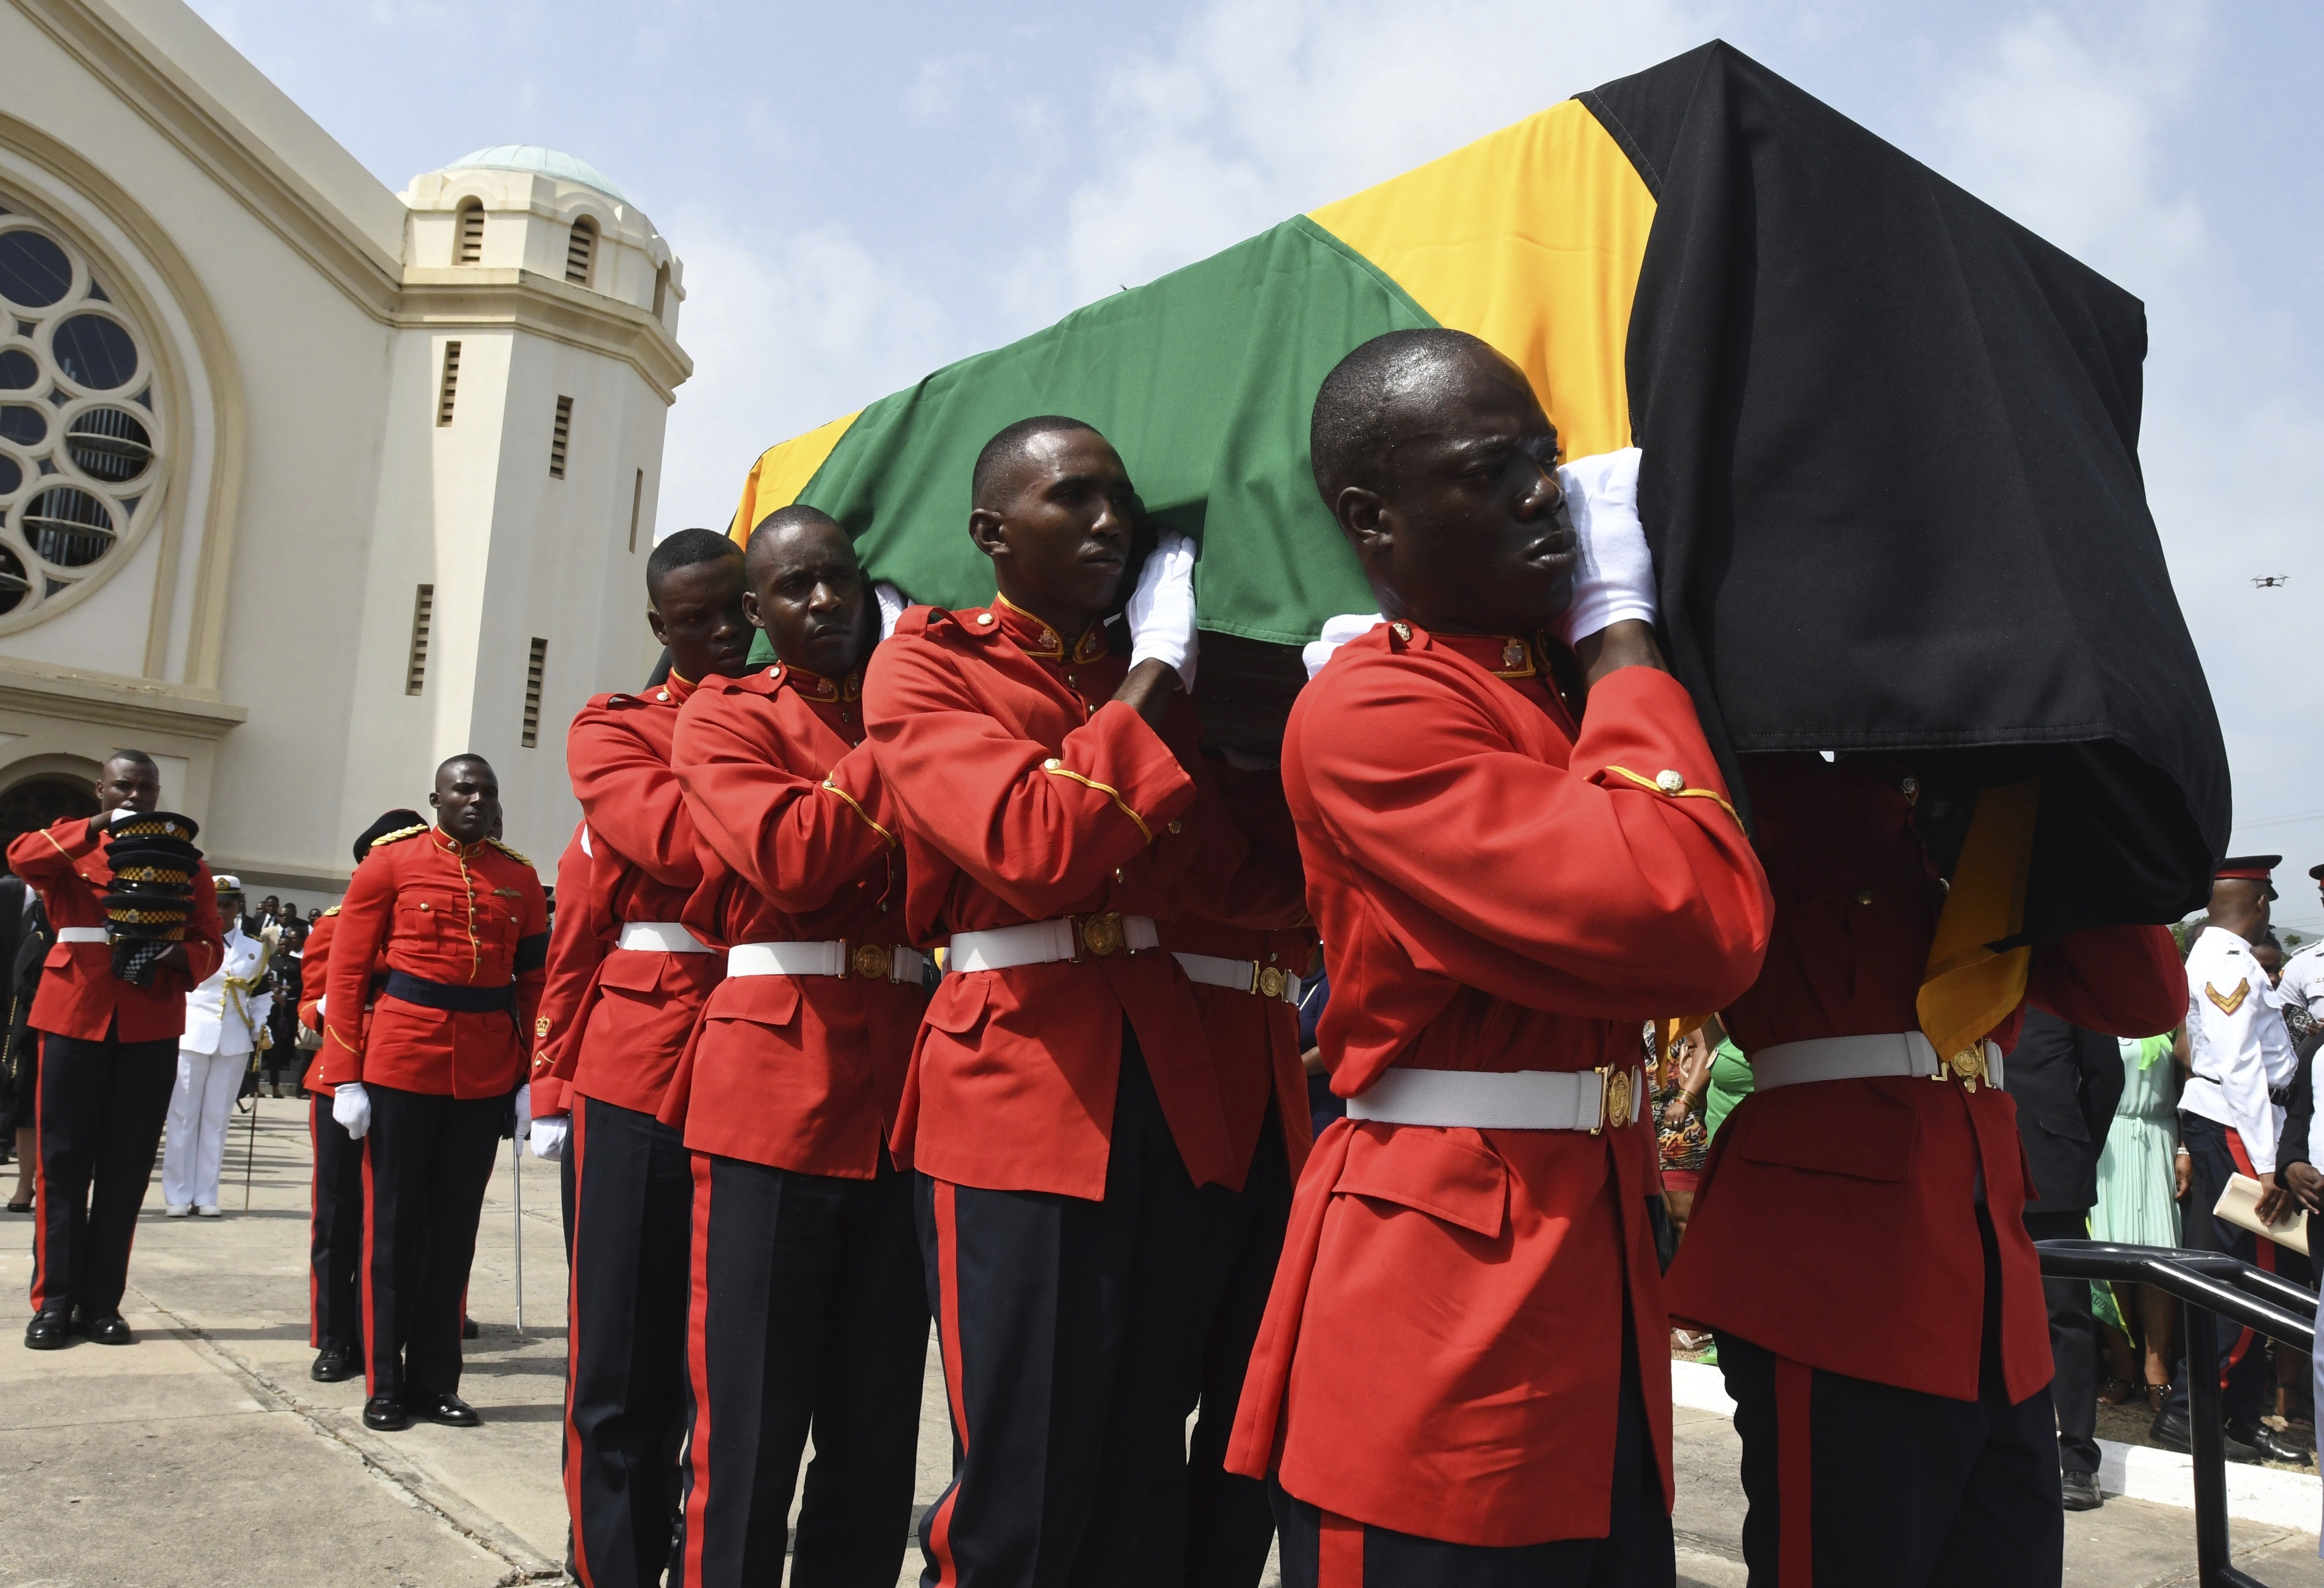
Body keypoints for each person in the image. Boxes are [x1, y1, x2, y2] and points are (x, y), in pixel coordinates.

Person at [1223, 330, 1775, 1582]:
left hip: (1588, 1242)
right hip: (1449, 1285)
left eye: (1546, 457)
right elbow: (1694, 920)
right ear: (1374, 519)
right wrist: (1623, 639)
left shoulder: (1546, 701)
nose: (1545, 492)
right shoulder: (1372, 706)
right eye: (1491, 469)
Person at [863, 415, 1269, 1587]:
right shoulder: (930, 665)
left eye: (1120, 502)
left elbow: (1233, 886)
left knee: (1141, 1461)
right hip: (1022, 1087)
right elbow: (1035, 847)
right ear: (993, 531)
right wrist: (1153, 677)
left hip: (1166, 1075)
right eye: (1073, 499)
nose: (1109, 522)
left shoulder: (1144, 675)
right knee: (1026, 1476)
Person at [1663, 725, 2186, 1586]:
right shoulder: (1774, 782)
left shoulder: (2003, 813)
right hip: (1837, 1269)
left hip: (1989, 1281)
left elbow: (2142, 994)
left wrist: (2060, 781)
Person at [663, 506, 931, 1587]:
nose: (823, 603)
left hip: (904, 1088)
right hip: (775, 1089)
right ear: (754, 614)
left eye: (839, 581)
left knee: (876, 1437)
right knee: (753, 1427)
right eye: (794, 589)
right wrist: (903, 721)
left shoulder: (914, 703)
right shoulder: (726, 717)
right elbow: (796, 858)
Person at [532, 527, 753, 1588]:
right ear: (659, 628)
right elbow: (674, 848)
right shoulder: (613, 726)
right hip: (644, 1057)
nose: (724, 631)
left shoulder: (791, 718)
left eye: (736, 609)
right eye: (697, 617)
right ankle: (611, 1564)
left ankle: (686, 1546)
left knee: (726, 1359)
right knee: (621, 1350)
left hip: (767, 1050)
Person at [321, 756, 546, 1431]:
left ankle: (435, 1380)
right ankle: (384, 1382)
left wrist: (535, 1078)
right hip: (401, 1061)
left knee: (454, 1231)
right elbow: (348, 969)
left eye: (487, 791)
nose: (476, 800)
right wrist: (346, 1073)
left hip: (483, 1070)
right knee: (391, 1229)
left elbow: (534, 985)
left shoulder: (520, 877)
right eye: (463, 790)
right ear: (436, 798)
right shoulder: (390, 863)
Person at [1159, 743, 1313, 1588]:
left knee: (1252, 1399)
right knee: (1153, 1389)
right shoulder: (1178, 734)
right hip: (1184, 1083)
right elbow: (1249, 886)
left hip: (1269, 1094)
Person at [12, 750, 224, 1347]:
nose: (134, 796)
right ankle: (53, 1301)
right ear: (100, 789)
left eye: (146, 788)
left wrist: (177, 956)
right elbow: (21, 856)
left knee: (126, 1171)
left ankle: (103, 1302)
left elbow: (210, 943)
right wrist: (97, 828)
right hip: (74, 1014)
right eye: (122, 786)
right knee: (62, 1166)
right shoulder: (71, 845)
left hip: (149, 1019)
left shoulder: (186, 865)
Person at [2154, 858, 2310, 1463]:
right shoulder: (2226, 961)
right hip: (2243, 1125)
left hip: (2236, 1121)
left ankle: (2238, 1415)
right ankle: (2191, 1411)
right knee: (2251, 1276)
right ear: (2262, 902)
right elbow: (2241, 1063)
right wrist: (2269, 1164)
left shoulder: (2219, 956)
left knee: (2243, 1272)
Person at [299, 809, 421, 1383]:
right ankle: (332, 1334)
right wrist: (328, 1008)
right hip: (340, 1074)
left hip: (406, 1071)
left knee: (402, 1213)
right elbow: (308, 1002)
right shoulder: (336, 920)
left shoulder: (422, 924)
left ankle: (391, 1326)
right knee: (339, 1212)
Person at [2003, 1007, 2127, 1509]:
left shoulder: (2068, 978)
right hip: (1965, 1164)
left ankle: (2076, 1458)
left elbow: (2104, 1078)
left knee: (2063, 1317)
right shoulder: (1967, 966)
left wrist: (2072, 1144)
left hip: (2049, 1165)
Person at [162, 876, 275, 1217]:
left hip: (234, 1039)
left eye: (228, 904)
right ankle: (178, 1194)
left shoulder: (254, 947)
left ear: (238, 906)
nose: (221, 911)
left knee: (216, 1119)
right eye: (216, 904)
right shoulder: (189, 940)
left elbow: (261, 994)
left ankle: (206, 1195)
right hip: (192, 1035)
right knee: (182, 1117)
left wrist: (259, 1026)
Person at [2092, 1029, 2183, 1412]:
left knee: (2161, 1256)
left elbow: (2191, 1081)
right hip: (2108, 1141)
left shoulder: (2172, 1016)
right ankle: (2123, 1366)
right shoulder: (2091, 1015)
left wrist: (2185, 1146)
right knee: (2106, 1257)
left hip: (2160, 1139)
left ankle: (2157, 1368)